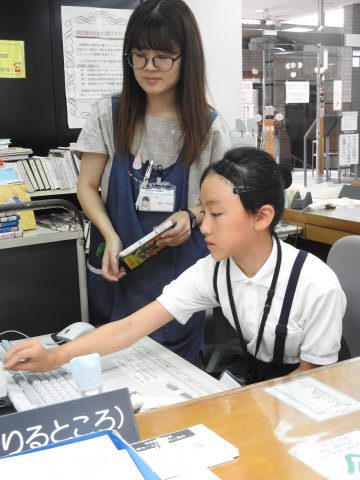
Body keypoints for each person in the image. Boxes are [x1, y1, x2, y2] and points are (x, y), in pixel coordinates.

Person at [5, 147, 346, 384]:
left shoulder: (316, 285)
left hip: (310, 395)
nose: (205, 226)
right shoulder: (215, 270)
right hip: (257, 383)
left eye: (216, 214)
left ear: (263, 216)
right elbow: (130, 327)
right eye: (204, 213)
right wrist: (55, 358)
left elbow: (313, 379)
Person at [75, 0, 230, 365]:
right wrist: (110, 235)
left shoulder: (208, 127)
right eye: (139, 56)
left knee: (175, 378)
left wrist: (190, 217)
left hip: (179, 275)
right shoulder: (108, 114)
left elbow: (219, 202)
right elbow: (87, 186)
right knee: (113, 365)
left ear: (186, 57)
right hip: (116, 268)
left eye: (162, 57)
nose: (148, 68)